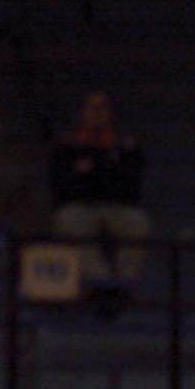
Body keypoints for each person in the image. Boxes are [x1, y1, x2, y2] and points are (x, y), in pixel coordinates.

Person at [49, 90, 151, 287]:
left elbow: (130, 184)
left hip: (117, 206)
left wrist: (88, 171)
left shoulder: (126, 146)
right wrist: (101, 172)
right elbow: (62, 185)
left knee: (138, 224)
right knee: (69, 222)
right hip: (79, 207)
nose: (97, 113)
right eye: (92, 108)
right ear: (82, 112)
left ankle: (123, 281)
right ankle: (100, 283)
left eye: (102, 108)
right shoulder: (66, 146)